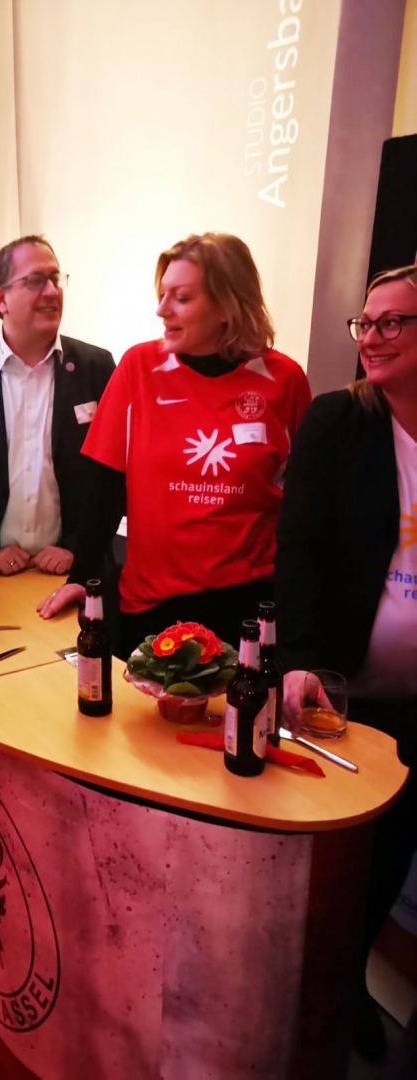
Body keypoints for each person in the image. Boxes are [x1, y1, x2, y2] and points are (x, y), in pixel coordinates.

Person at [39, 232, 311, 657]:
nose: (162, 309)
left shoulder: (285, 381)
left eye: (181, 298)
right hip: (151, 608)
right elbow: (104, 488)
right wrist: (81, 577)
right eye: (162, 294)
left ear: (227, 305)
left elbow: (304, 507)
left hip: (248, 608)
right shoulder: (139, 367)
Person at [276, 264, 417, 1060]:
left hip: (414, 701)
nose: (372, 337)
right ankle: (305, 994)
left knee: (392, 855)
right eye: (366, 322)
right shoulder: (339, 421)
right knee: (329, 862)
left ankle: (349, 981)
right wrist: (297, 660)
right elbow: (296, 550)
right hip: (341, 696)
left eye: (393, 322)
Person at [0, 235, 116, 604]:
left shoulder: (96, 367)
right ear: (1, 299)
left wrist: (75, 548)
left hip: (73, 575)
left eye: (55, 279)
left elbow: (109, 476)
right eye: (35, 280)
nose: (51, 291)